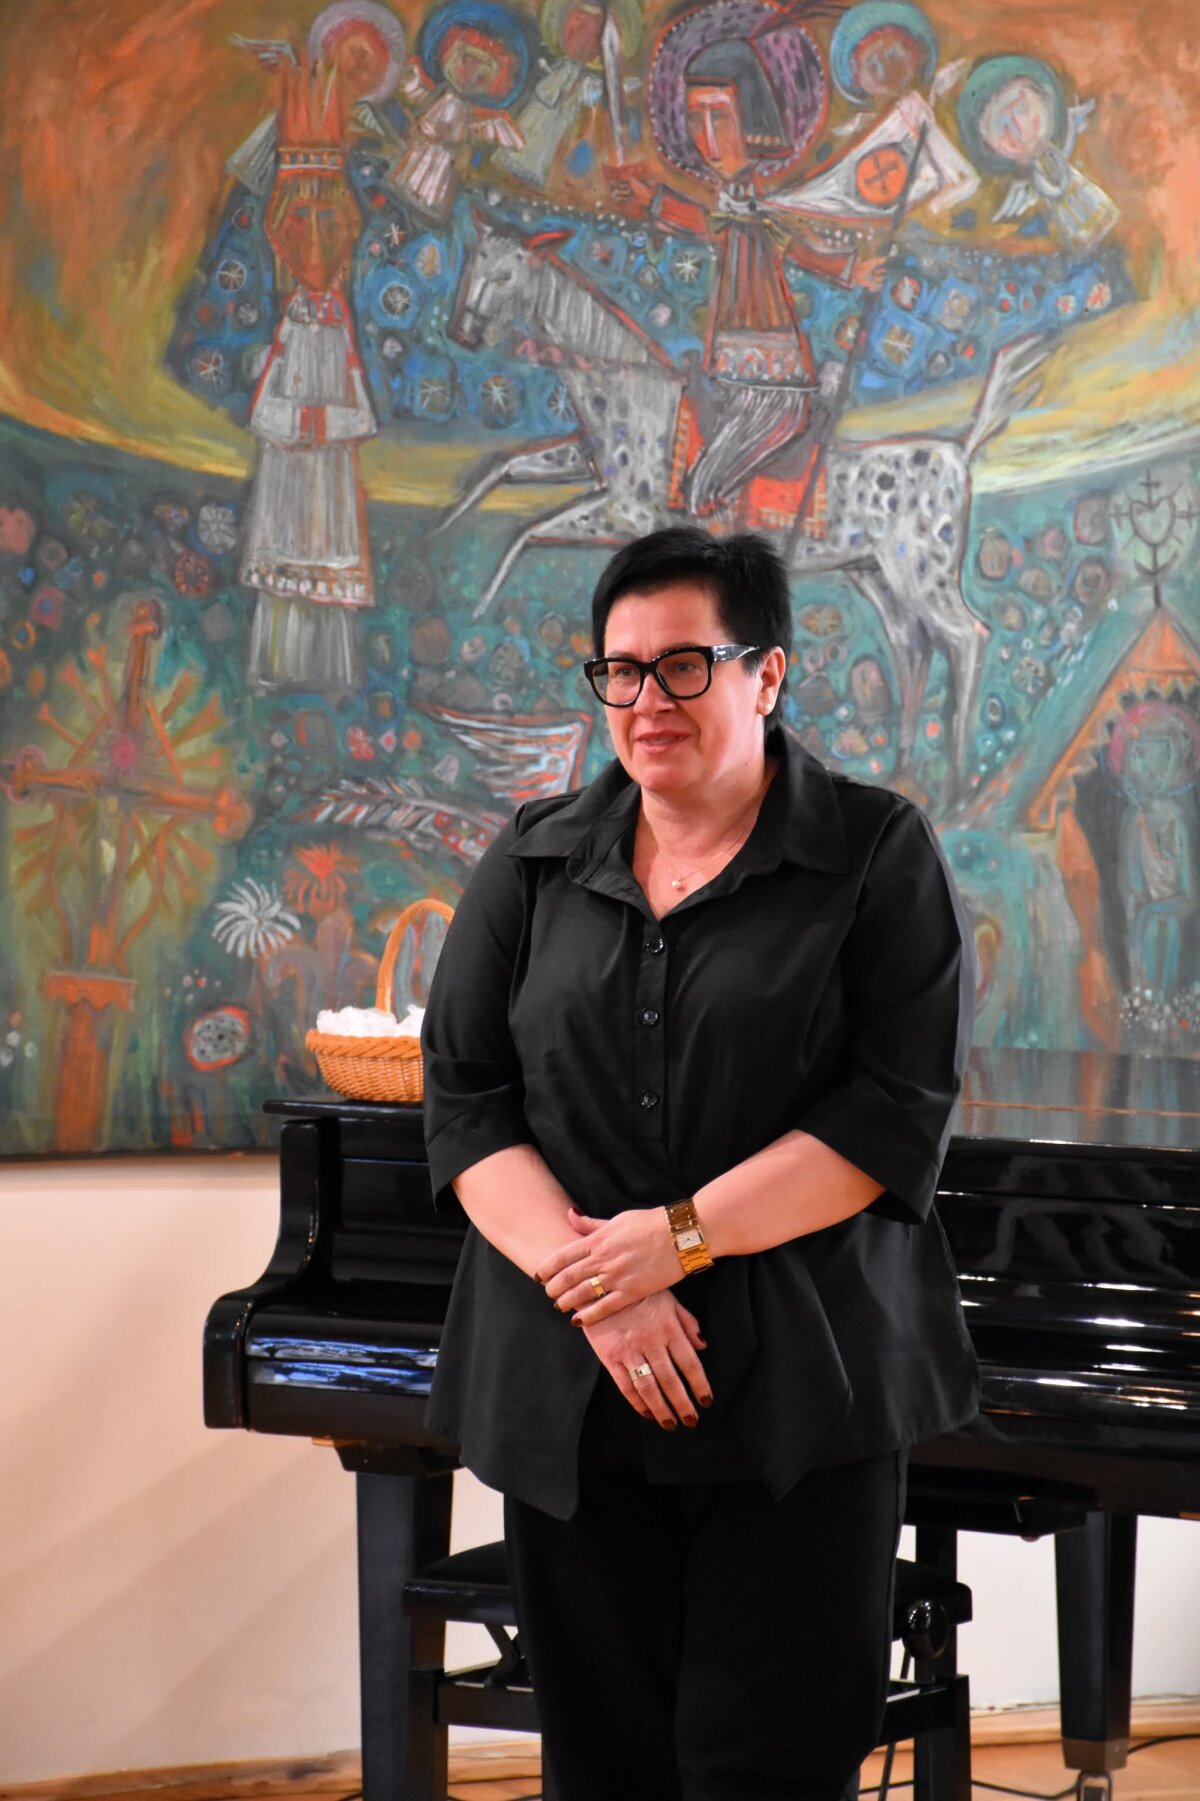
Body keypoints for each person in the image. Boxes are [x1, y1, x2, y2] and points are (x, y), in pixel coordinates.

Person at [421, 525, 978, 1801]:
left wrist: (674, 1240)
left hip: (800, 1394)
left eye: (684, 666)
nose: (645, 701)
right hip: (573, 1382)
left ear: (767, 674)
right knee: (602, 1770)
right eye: (619, 671)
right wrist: (603, 1285)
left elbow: (893, 1111)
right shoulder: (534, 857)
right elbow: (465, 1099)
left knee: (765, 1770)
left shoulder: (874, 852)